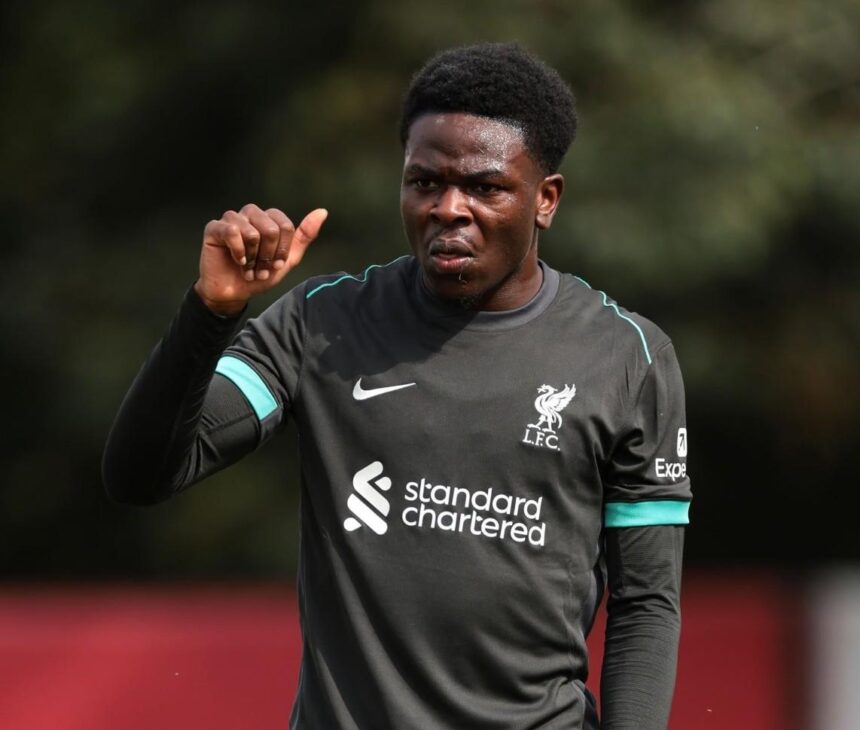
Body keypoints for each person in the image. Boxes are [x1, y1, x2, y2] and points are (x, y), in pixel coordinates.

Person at [103, 43, 691, 730]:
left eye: (485, 187)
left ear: (546, 200)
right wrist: (212, 312)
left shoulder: (629, 356)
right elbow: (141, 475)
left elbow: (647, 602)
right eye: (424, 182)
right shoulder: (320, 326)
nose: (449, 208)